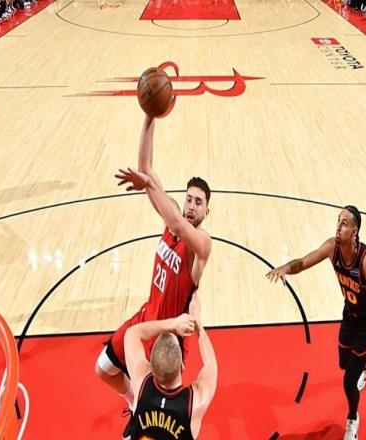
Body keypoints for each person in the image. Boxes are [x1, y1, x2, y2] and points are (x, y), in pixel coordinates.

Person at [95, 114, 212, 410]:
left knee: (156, 409)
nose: (191, 206)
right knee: (102, 368)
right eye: (189, 199)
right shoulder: (172, 213)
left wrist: (148, 184)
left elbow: (176, 224)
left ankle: (140, 409)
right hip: (146, 318)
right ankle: (131, 400)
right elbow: (145, 166)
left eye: (198, 203)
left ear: (206, 212)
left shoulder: (201, 243)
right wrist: (149, 115)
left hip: (168, 336)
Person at [266, 205, 366, 440]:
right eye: (338, 220)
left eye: (344, 223)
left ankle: (352, 419)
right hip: (349, 315)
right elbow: (304, 262)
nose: (338, 226)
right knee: (343, 362)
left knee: (349, 381)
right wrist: (285, 268)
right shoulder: (332, 247)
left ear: (354, 231)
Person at [123, 294, 217, 439]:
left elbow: (132, 333)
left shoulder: (141, 381)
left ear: (151, 365)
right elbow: (210, 365)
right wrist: (198, 323)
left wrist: (173, 324)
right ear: (182, 365)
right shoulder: (195, 403)